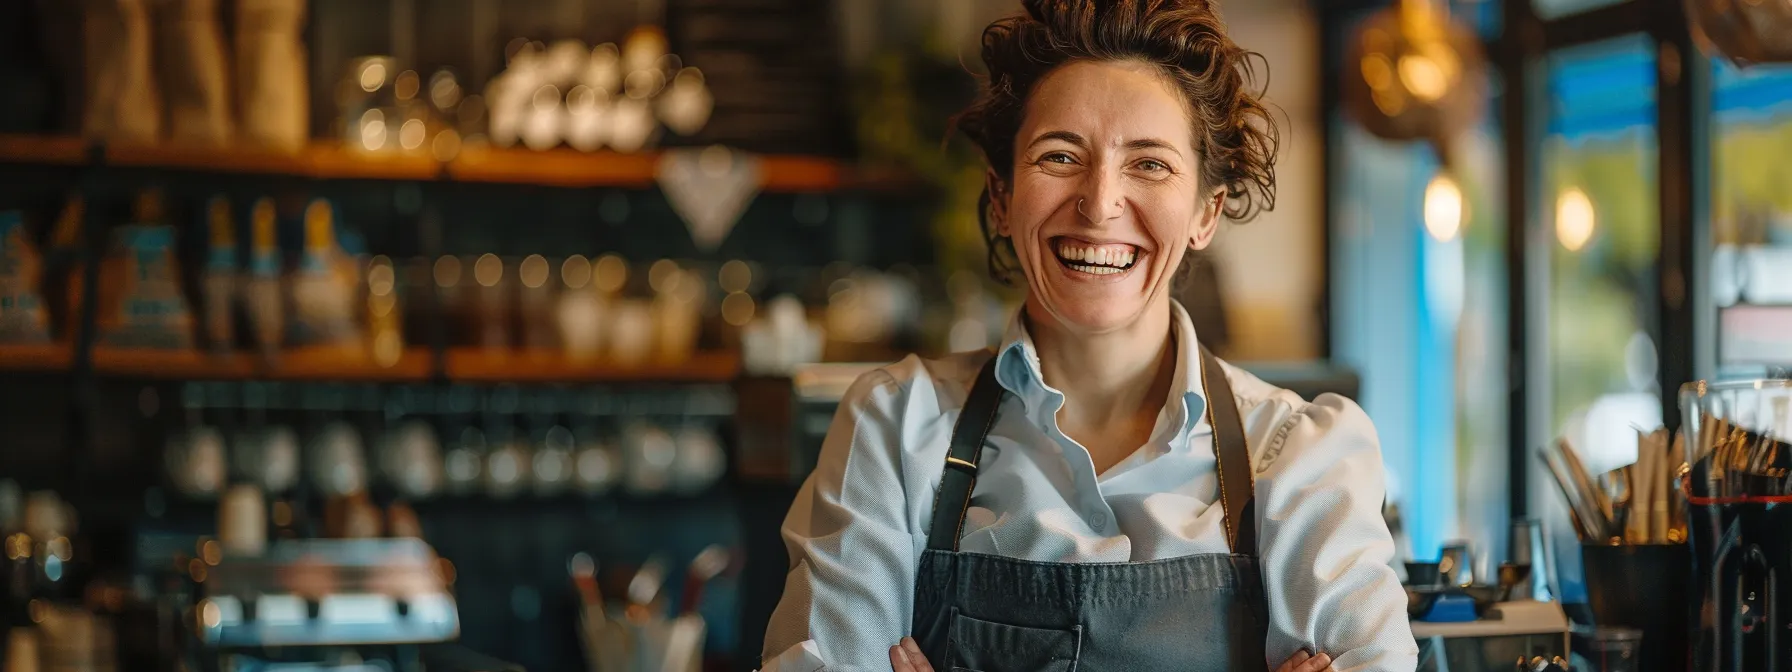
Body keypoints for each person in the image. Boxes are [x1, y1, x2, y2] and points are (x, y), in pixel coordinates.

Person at [760, 0, 1416, 669]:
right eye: (1060, 155)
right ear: (1000, 196)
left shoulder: (1302, 457)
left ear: (1205, 212)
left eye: (1150, 164)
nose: (1100, 203)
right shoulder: (894, 429)